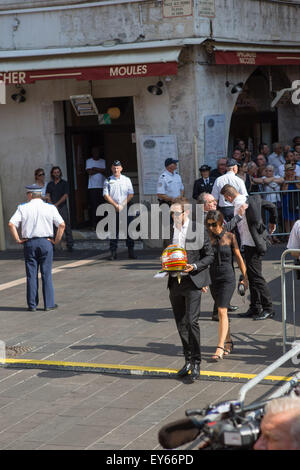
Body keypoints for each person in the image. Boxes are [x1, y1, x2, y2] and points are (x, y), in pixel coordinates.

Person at [167, 196, 214, 382]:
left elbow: (209, 256)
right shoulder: (170, 230)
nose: (173, 216)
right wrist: (165, 265)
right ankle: (187, 360)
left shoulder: (198, 229)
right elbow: (168, 253)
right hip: (174, 282)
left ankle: (196, 363)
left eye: (176, 213)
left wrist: (194, 267)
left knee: (192, 322)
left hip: (192, 281)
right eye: (171, 213)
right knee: (181, 323)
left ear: (186, 212)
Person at [220, 184, 277, 320]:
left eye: (225, 198)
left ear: (228, 196)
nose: (226, 201)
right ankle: (255, 307)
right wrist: (273, 221)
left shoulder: (240, 204)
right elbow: (272, 206)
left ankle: (268, 308)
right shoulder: (250, 199)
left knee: (256, 277)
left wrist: (271, 222)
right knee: (252, 277)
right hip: (251, 243)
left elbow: (231, 226)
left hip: (252, 244)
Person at [8, 184, 65, 311]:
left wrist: (18, 239)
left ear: (30, 195)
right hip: (46, 242)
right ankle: (49, 304)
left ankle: (32, 304)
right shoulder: (50, 208)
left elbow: (11, 224)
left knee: (31, 274)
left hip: (29, 243)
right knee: (46, 274)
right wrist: (56, 241)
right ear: (40, 194)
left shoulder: (22, 207)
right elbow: (62, 225)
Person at [197, 192, 247, 319]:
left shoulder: (214, 214)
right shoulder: (205, 218)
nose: (215, 202)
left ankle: (224, 304)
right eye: (211, 201)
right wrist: (238, 216)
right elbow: (224, 228)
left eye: (215, 200)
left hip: (224, 258)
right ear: (204, 205)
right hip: (214, 259)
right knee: (220, 285)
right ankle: (220, 309)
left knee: (225, 283)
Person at [205, 210, 248, 361]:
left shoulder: (230, 237)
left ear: (220, 222)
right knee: (221, 312)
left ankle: (220, 347)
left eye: (213, 225)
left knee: (222, 310)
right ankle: (229, 341)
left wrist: (245, 277)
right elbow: (203, 260)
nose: (210, 228)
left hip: (228, 278)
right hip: (213, 278)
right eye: (208, 224)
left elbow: (239, 258)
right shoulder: (206, 237)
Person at [103, 160, 136, 260]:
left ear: (121, 168)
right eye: (114, 168)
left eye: (118, 168)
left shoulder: (126, 179)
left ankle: (131, 252)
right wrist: (115, 205)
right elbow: (105, 195)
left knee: (129, 229)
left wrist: (122, 205)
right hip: (113, 207)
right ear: (111, 169)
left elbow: (131, 194)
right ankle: (113, 253)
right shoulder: (108, 180)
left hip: (126, 206)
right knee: (114, 231)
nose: (116, 170)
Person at [157, 158, 184, 246]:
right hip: (167, 205)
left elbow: (182, 189)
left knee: (179, 226)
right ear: (169, 166)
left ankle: (178, 246)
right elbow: (160, 194)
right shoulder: (163, 177)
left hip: (177, 204)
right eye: (174, 163)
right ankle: (168, 249)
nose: (176, 165)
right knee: (168, 228)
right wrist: (172, 199)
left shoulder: (177, 175)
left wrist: (180, 198)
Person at [46, 166, 74, 252]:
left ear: (60, 173)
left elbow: (65, 195)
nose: (56, 174)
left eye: (58, 172)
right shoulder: (50, 184)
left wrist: (57, 204)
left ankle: (70, 245)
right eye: (55, 172)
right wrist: (52, 204)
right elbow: (47, 195)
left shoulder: (64, 183)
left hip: (62, 207)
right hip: (52, 207)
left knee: (66, 225)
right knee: (52, 226)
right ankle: (53, 245)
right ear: (52, 174)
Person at [85, 146, 106, 230]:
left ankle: (103, 224)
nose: (96, 153)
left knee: (103, 206)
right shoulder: (89, 161)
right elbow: (89, 172)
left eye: (97, 152)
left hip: (102, 186)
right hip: (92, 187)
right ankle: (94, 224)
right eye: (94, 152)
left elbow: (105, 171)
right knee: (94, 206)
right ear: (92, 153)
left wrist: (95, 169)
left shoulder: (103, 161)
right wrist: (100, 170)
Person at [281, 163, 300, 234]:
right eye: (289, 170)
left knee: (294, 217)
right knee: (287, 218)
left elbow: (299, 188)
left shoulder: (297, 178)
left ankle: (294, 234)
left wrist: (294, 181)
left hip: (295, 200)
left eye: (292, 170)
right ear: (286, 172)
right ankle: (288, 235)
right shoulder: (283, 179)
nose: (290, 172)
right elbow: (284, 191)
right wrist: (288, 181)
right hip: (286, 200)